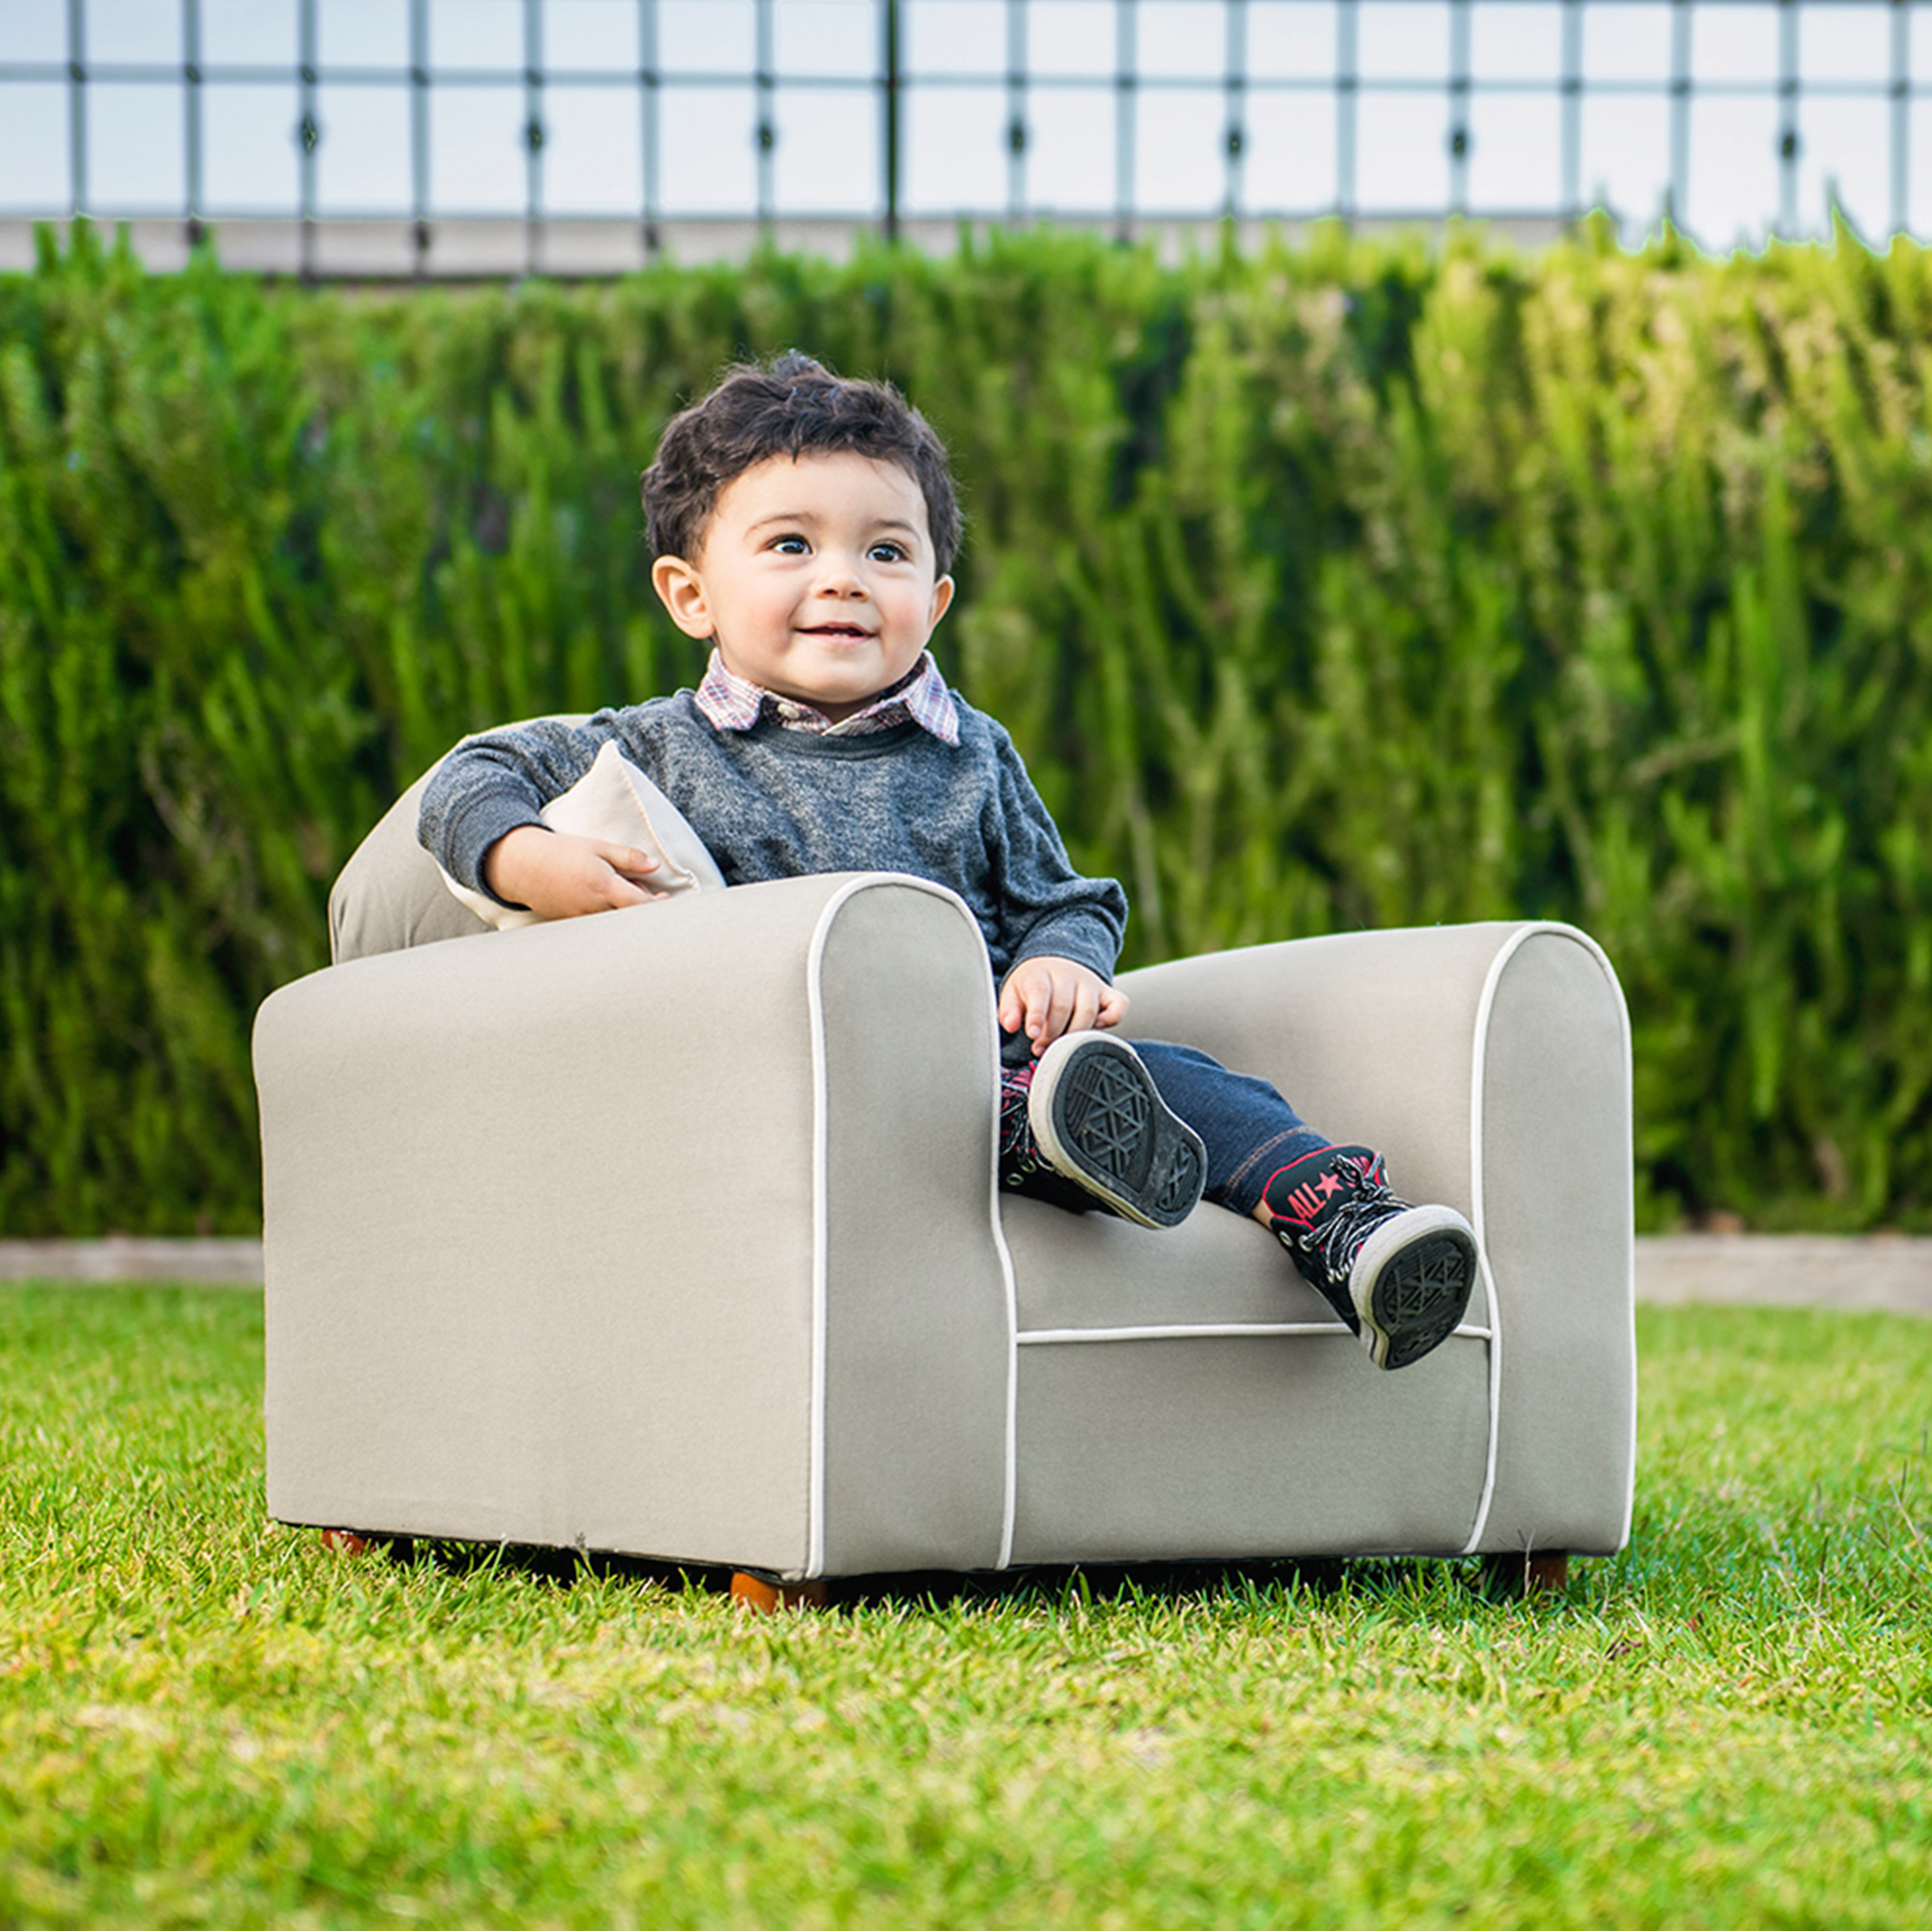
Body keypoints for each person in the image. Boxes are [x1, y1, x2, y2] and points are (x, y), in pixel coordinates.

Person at [418, 352, 1478, 1370]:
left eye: (886, 552)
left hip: (989, 1064)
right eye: (791, 544)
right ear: (690, 593)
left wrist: (1061, 963)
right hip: (801, 1096)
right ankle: (1077, 1143)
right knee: (1031, 1102)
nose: (844, 578)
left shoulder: (969, 752)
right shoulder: (653, 745)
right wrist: (524, 856)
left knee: (1181, 1077)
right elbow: (467, 774)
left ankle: (1349, 1224)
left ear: (932, 600)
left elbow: (1065, 900)